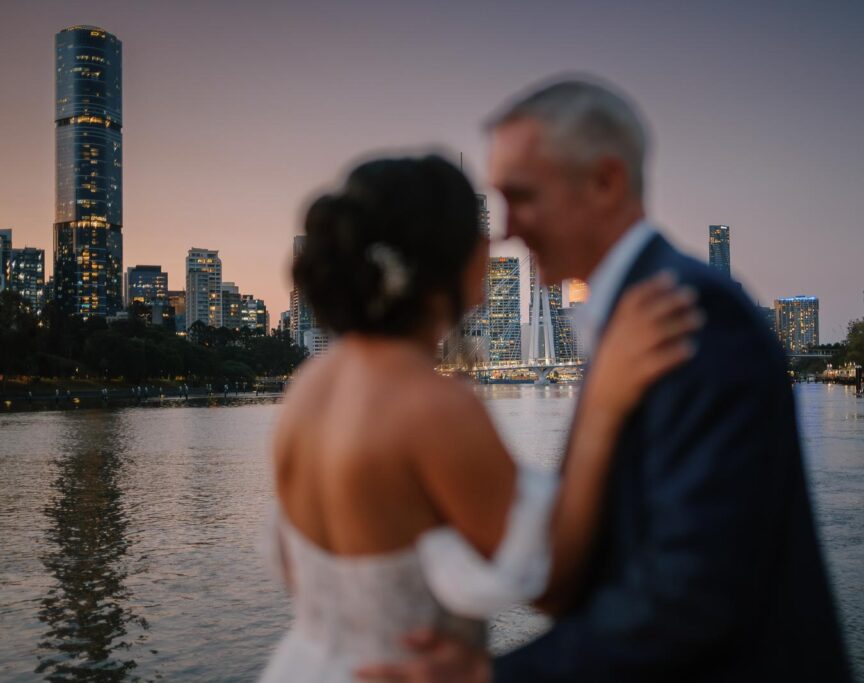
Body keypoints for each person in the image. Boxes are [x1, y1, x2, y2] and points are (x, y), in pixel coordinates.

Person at [357, 79, 850, 682]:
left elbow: (691, 594)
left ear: (606, 182)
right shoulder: (629, 317)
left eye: (523, 196)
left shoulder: (690, 314)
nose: (507, 227)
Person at [259, 154, 703, 683]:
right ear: (443, 261)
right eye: (479, 233)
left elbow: (306, 572)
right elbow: (554, 577)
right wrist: (602, 404)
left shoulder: (311, 386)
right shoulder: (431, 405)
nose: (494, 247)